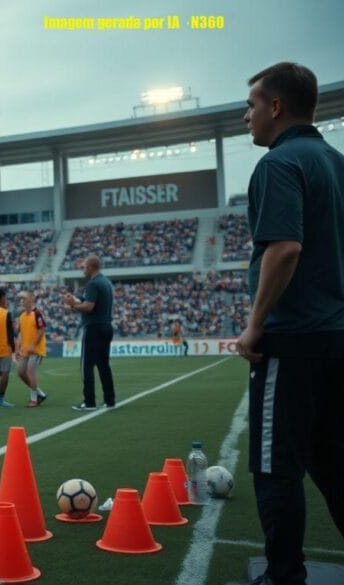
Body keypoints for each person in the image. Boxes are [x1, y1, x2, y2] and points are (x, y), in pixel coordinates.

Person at [235, 62, 344, 585]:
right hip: (337, 338)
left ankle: (284, 576)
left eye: (251, 106)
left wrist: (256, 324)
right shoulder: (337, 162)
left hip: (294, 338)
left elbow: (285, 247)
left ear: (275, 107)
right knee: (335, 461)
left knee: (276, 467)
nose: (246, 117)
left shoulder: (279, 165)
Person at [63, 255, 116, 411]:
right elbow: (88, 302)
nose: (82, 269)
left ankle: (89, 401)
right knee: (103, 365)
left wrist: (72, 305)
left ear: (91, 267)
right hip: (106, 326)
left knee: (87, 366)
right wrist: (75, 299)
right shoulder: (105, 282)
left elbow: (88, 307)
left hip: (93, 328)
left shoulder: (93, 284)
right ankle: (110, 399)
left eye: (84, 266)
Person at [14, 291, 48, 407]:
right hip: (25, 350)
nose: (21, 301)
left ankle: (34, 399)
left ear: (31, 299)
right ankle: (40, 394)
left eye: (24, 299)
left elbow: (41, 330)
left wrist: (33, 345)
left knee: (30, 372)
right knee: (20, 372)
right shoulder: (22, 316)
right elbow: (20, 334)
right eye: (21, 299)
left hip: (36, 350)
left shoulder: (37, 313)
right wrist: (17, 348)